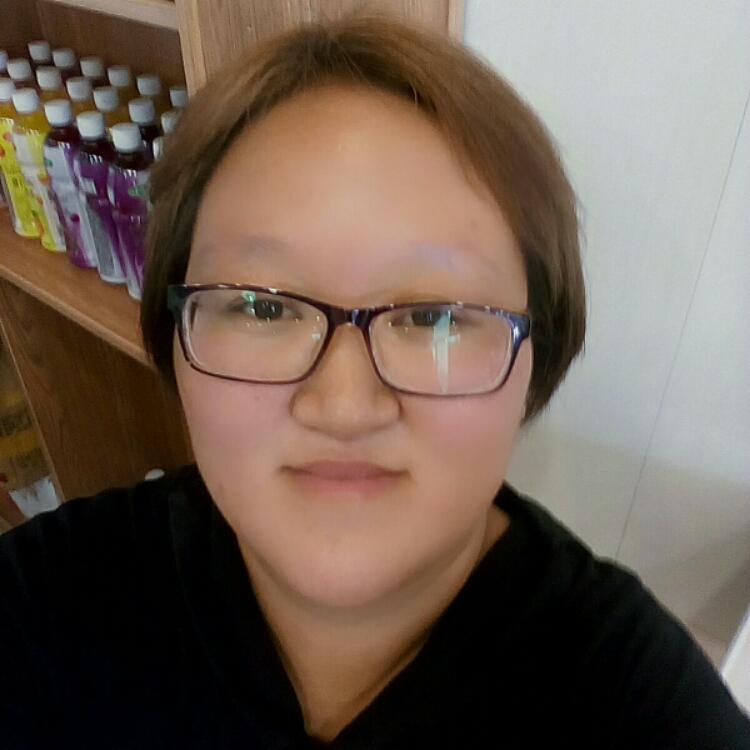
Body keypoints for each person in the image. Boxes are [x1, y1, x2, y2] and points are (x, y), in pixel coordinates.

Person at [1, 13, 748, 749]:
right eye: (262, 307)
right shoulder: (49, 602)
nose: (344, 406)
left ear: (536, 359)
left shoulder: (640, 707)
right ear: (174, 337)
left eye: (433, 317)